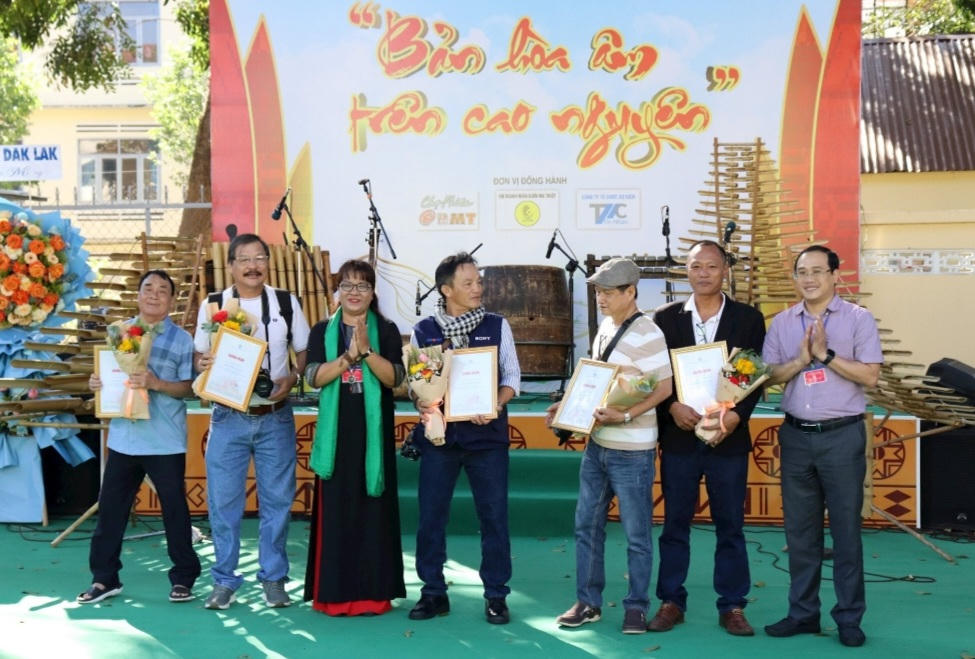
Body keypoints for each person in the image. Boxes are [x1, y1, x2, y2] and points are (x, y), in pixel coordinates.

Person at [762, 245, 882, 648]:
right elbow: (768, 376)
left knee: (846, 532)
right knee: (800, 533)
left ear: (834, 275)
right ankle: (803, 614)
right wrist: (800, 361)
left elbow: (870, 376)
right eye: (802, 272)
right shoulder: (782, 322)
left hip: (842, 436)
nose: (809, 279)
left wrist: (825, 355)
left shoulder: (858, 319)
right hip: (796, 436)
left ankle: (848, 617)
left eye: (817, 271)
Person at [647, 241, 766, 636]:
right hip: (680, 438)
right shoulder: (665, 319)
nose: (703, 273)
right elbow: (656, 377)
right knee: (674, 524)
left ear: (725, 270)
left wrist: (735, 416)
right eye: (696, 266)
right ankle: (670, 601)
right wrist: (671, 408)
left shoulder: (747, 319)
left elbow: (752, 377)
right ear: (686, 270)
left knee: (730, 525)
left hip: (727, 439)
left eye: (711, 266)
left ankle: (732, 605)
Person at [551, 257, 673, 635]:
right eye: (597, 292)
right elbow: (596, 380)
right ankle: (588, 603)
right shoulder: (605, 326)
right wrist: (568, 407)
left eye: (607, 292)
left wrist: (625, 415)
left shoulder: (649, 333)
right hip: (597, 444)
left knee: (637, 535)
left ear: (630, 292)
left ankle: (637, 607)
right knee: (586, 526)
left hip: (633, 450)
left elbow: (664, 388)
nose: (600, 299)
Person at [194, 233, 310, 610]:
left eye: (259, 257)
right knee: (223, 504)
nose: (252, 265)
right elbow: (199, 356)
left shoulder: (285, 303)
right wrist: (204, 363)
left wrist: (293, 377)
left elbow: (304, 351)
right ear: (231, 266)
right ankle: (224, 581)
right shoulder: (213, 305)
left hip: (275, 416)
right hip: (228, 417)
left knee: (277, 502)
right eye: (244, 259)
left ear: (268, 263)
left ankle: (273, 579)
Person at [408, 252, 521, 625]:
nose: (477, 289)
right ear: (446, 289)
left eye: (479, 282)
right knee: (431, 518)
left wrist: (495, 404)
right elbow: (417, 386)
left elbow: (512, 377)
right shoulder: (425, 330)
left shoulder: (496, 325)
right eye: (468, 283)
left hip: (487, 440)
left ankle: (496, 595)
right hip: (440, 441)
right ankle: (433, 592)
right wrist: (425, 401)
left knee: (494, 518)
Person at [78, 270, 201, 604]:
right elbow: (109, 376)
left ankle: (184, 578)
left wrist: (156, 383)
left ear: (171, 300)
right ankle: (104, 579)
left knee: (174, 510)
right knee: (111, 511)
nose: (154, 295)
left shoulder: (182, 339)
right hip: (124, 437)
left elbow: (189, 388)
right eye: (148, 288)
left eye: (163, 290)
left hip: (164, 439)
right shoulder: (119, 332)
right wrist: (98, 384)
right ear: (138, 295)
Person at [302, 260, 406, 615]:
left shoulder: (387, 330)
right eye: (347, 285)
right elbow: (313, 378)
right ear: (338, 292)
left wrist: (367, 350)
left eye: (362, 285)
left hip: (373, 435)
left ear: (373, 292)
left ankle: (374, 596)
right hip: (336, 437)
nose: (354, 292)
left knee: (374, 513)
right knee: (337, 515)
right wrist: (349, 356)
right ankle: (333, 596)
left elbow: (394, 378)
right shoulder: (322, 331)